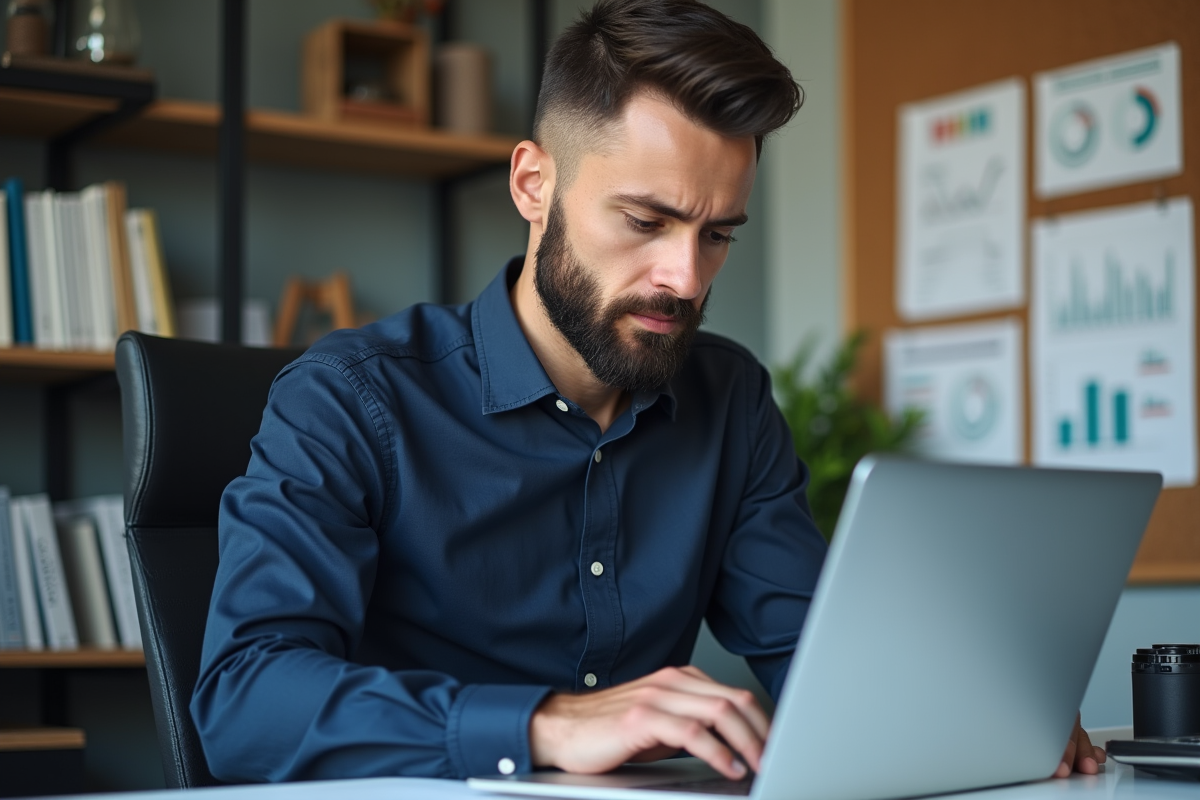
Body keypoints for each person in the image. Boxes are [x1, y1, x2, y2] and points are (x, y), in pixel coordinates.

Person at [191, 0, 1104, 783]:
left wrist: (969, 718)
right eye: (646, 221)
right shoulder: (350, 399)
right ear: (533, 184)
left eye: (718, 235)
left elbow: (818, 663)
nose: (685, 277)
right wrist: (544, 724)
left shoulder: (731, 399)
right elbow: (244, 701)